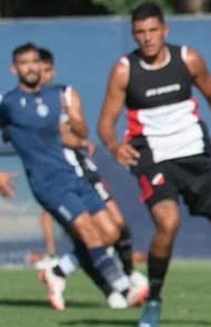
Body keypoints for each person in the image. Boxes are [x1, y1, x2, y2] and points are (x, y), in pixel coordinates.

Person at [97, 3, 211, 327]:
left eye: (153, 31)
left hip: (196, 157)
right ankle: (153, 300)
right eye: (140, 33)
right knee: (167, 224)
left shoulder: (188, 59)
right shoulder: (125, 70)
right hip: (152, 157)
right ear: (133, 35)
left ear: (165, 30)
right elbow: (105, 123)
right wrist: (114, 146)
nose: (147, 38)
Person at [1, 43, 142, 310]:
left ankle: (58, 272)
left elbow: (72, 133)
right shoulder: (7, 104)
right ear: (14, 68)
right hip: (48, 183)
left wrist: (76, 127)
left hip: (73, 175)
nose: (31, 67)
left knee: (111, 232)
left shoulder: (57, 96)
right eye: (24, 63)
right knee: (89, 232)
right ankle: (123, 288)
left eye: (34, 62)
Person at [36, 47, 147, 305]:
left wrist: (71, 126)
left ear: (52, 71)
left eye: (46, 70)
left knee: (117, 227)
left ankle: (66, 271)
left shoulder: (66, 94)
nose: (41, 75)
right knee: (92, 235)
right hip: (58, 176)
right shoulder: (23, 106)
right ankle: (116, 287)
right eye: (36, 70)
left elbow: (82, 132)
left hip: (84, 169)